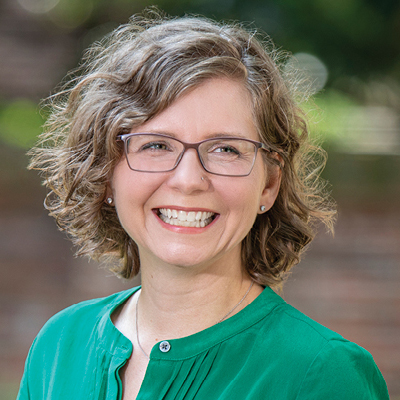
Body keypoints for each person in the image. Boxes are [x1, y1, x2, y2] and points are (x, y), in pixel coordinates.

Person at [17, 10, 389, 400]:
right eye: (156, 145)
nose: (189, 180)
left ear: (270, 184)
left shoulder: (323, 374)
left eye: (226, 149)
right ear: (106, 170)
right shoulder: (60, 346)